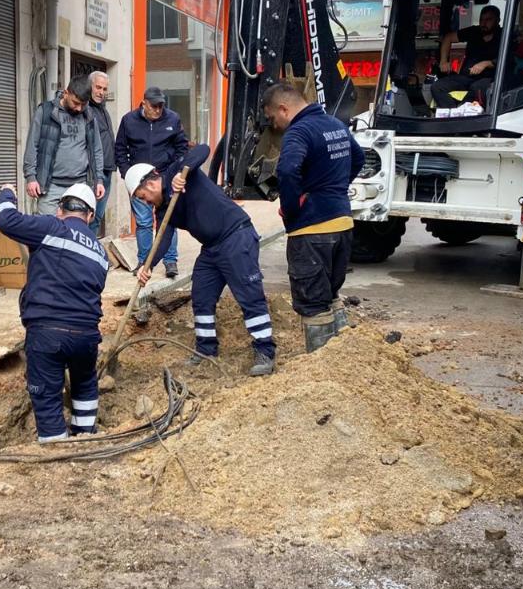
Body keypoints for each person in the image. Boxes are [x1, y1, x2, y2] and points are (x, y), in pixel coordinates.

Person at [126, 145, 276, 376]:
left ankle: (265, 351)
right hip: (211, 249)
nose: (145, 202)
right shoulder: (163, 208)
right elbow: (163, 239)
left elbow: (203, 150)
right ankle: (206, 350)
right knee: (201, 296)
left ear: (151, 183)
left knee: (249, 295)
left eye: (143, 197)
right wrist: (147, 266)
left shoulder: (179, 173)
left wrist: (182, 173)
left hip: (236, 236)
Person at [0, 182, 109, 442]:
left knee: (46, 395)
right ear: (90, 216)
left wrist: (7, 192)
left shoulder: (51, 227)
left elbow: (4, 219)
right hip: (87, 335)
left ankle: (56, 450)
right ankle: (85, 439)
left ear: (60, 210)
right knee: (85, 384)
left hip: (48, 333)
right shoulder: (101, 253)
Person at [263, 83, 365, 351]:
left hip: (311, 232)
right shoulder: (335, 125)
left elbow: (287, 171)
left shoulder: (299, 131)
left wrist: (291, 209)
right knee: (330, 296)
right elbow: (359, 157)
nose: (275, 126)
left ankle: (320, 373)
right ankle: (341, 361)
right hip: (342, 224)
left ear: (283, 109)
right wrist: (335, 189)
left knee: (313, 305)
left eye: (273, 118)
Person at [115, 87, 188, 278]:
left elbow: (182, 148)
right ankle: (144, 261)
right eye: (154, 106)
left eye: (161, 106)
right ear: (144, 103)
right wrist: (127, 174)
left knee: (168, 220)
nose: (158, 110)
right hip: (139, 181)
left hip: (165, 179)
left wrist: (176, 173)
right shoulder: (129, 121)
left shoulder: (172, 118)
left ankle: (170, 260)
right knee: (144, 222)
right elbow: (120, 150)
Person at [23, 74, 106, 217]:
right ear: (66, 93)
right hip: (50, 187)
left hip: (80, 186)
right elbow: (32, 145)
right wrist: (31, 177)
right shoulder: (46, 111)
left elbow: (97, 149)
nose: (79, 108)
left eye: (84, 104)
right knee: (49, 233)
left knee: (75, 233)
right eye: (75, 103)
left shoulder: (89, 115)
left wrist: (99, 179)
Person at [433, 5, 502, 109]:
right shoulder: (474, 31)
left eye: (488, 20)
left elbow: (508, 59)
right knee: (437, 87)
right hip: (466, 77)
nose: (483, 23)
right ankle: (451, 116)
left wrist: (486, 63)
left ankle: (471, 114)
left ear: (497, 20)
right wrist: (443, 61)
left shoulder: (503, 35)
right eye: (481, 19)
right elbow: (448, 37)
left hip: (490, 79)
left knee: (477, 88)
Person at [86, 71, 115, 237]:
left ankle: (91, 252)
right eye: (98, 87)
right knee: (89, 216)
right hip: (93, 173)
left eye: (104, 89)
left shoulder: (103, 109)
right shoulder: (86, 110)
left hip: (107, 170)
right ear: (90, 86)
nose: (101, 92)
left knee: (97, 216)